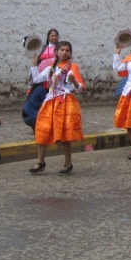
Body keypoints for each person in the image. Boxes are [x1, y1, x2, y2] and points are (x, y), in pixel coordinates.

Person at [28, 41, 84, 175]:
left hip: (65, 102)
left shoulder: (72, 67)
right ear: (56, 51)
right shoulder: (50, 68)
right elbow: (36, 79)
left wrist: (74, 81)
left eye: (67, 50)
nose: (64, 52)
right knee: (42, 130)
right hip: (51, 101)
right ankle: (40, 162)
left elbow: (80, 89)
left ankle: (68, 163)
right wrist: (34, 65)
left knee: (65, 134)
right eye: (62, 50)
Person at [22, 28, 59, 129]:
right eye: (52, 35)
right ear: (48, 37)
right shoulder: (43, 48)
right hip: (43, 77)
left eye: (56, 35)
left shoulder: (60, 48)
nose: (54, 37)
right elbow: (35, 59)